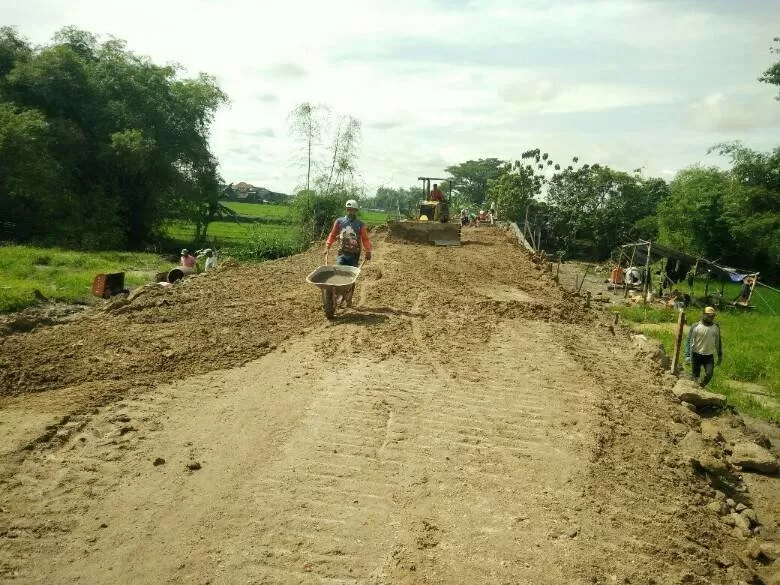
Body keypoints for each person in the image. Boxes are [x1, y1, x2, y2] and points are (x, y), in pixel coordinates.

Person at [324, 199, 373, 307]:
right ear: (346, 210)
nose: (351, 212)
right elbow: (333, 234)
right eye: (349, 210)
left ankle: (349, 298)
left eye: (353, 210)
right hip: (342, 253)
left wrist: (368, 250)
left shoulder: (360, 225)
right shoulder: (339, 221)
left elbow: (365, 239)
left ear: (356, 211)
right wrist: (328, 244)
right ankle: (336, 296)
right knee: (338, 273)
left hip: (355, 254)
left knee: (351, 277)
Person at [684, 306, 723, 387]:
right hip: (696, 355)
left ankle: (701, 387)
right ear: (703, 315)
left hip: (708, 356)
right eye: (709, 316)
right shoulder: (695, 326)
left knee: (709, 374)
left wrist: (720, 355)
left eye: (713, 316)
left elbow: (718, 342)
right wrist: (687, 355)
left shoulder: (716, 328)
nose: (711, 317)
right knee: (695, 377)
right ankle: (695, 390)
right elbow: (689, 341)